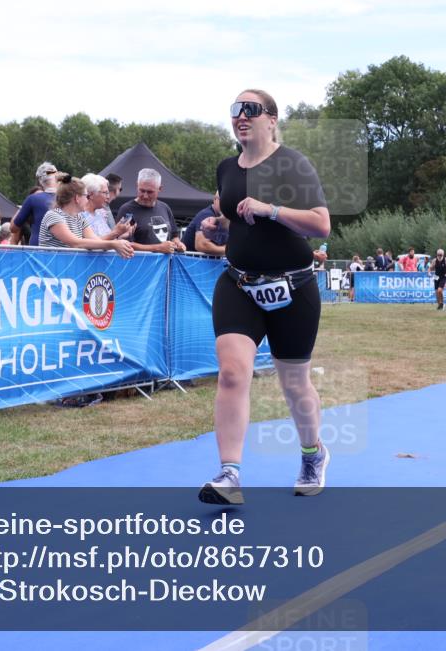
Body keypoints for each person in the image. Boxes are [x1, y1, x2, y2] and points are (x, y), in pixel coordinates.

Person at [199, 89, 331, 506]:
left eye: (250, 110)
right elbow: (233, 212)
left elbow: (320, 225)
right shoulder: (226, 167)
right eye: (235, 110)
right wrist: (221, 224)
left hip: (294, 288)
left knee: (294, 384)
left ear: (271, 120)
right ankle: (229, 474)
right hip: (239, 284)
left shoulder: (293, 164)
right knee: (233, 373)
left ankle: (313, 454)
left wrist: (270, 209)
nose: (240, 116)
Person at [37, 175, 135, 257]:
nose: (88, 199)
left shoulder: (80, 218)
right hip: (51, 271)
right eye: (86, 195)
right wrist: (113, 244)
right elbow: (76, 243)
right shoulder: (53, 216)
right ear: (77, 198)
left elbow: (97, 242)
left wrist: (117, 241)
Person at [114, 169, 185, 254]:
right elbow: (122, 244)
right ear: (137, 185)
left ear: (160, 188)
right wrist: (158, 248)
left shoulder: (165, 208)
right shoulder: (127, 210)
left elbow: (174, 236)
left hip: (164, 265)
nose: (145, 196)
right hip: (138, 264)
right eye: (142, 190)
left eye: (150, 192)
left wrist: (178, 244)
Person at [11, 162, 58, 246]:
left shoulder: (32, 199)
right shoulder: (67, 199)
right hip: (64, 252)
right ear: (56, 177)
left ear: (40, 181)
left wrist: (23, 208)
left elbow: (13, 228)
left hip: (38, 251)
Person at [80, 173, 134, 240]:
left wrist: (120, 236)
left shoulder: (100, 213)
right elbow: (92, 244)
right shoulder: (79, 215)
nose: (108, 197)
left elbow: (107, 242)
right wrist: (116, 232)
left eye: (108, 193)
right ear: (91, 195)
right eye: (105, 193)